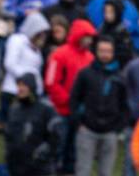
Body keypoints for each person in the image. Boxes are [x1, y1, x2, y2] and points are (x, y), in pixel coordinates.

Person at [72, 33, 128, 176]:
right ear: (96, 51)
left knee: (106, 172)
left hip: (110, 132)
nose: (105, 55)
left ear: (113, 52)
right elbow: (74, 99)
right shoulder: (85, 74)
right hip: (87, 130)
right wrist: (79, 122)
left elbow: (125, 105)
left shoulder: (120, 78)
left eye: (108, 51)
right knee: (82, 171)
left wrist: (117, 128)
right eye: (102, 51)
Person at [45, 18, 98, 173]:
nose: (89, 41)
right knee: (57, 149)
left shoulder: (90, 58)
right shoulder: (59, 55)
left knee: (74, 154)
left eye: (91, 38)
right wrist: (70, 101)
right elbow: (51, 82)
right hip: (61, 112)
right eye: (86, 37)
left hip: (80, 114)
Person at [7, 71, 63, 176]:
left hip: (40, 169)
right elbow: (9, 137)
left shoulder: (46, 109)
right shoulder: (14, 109)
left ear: (32, 87)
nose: (20, 88)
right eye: (18, 85)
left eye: (24, 85)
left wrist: (43, 155)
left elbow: (56, 137)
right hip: (16, 167)